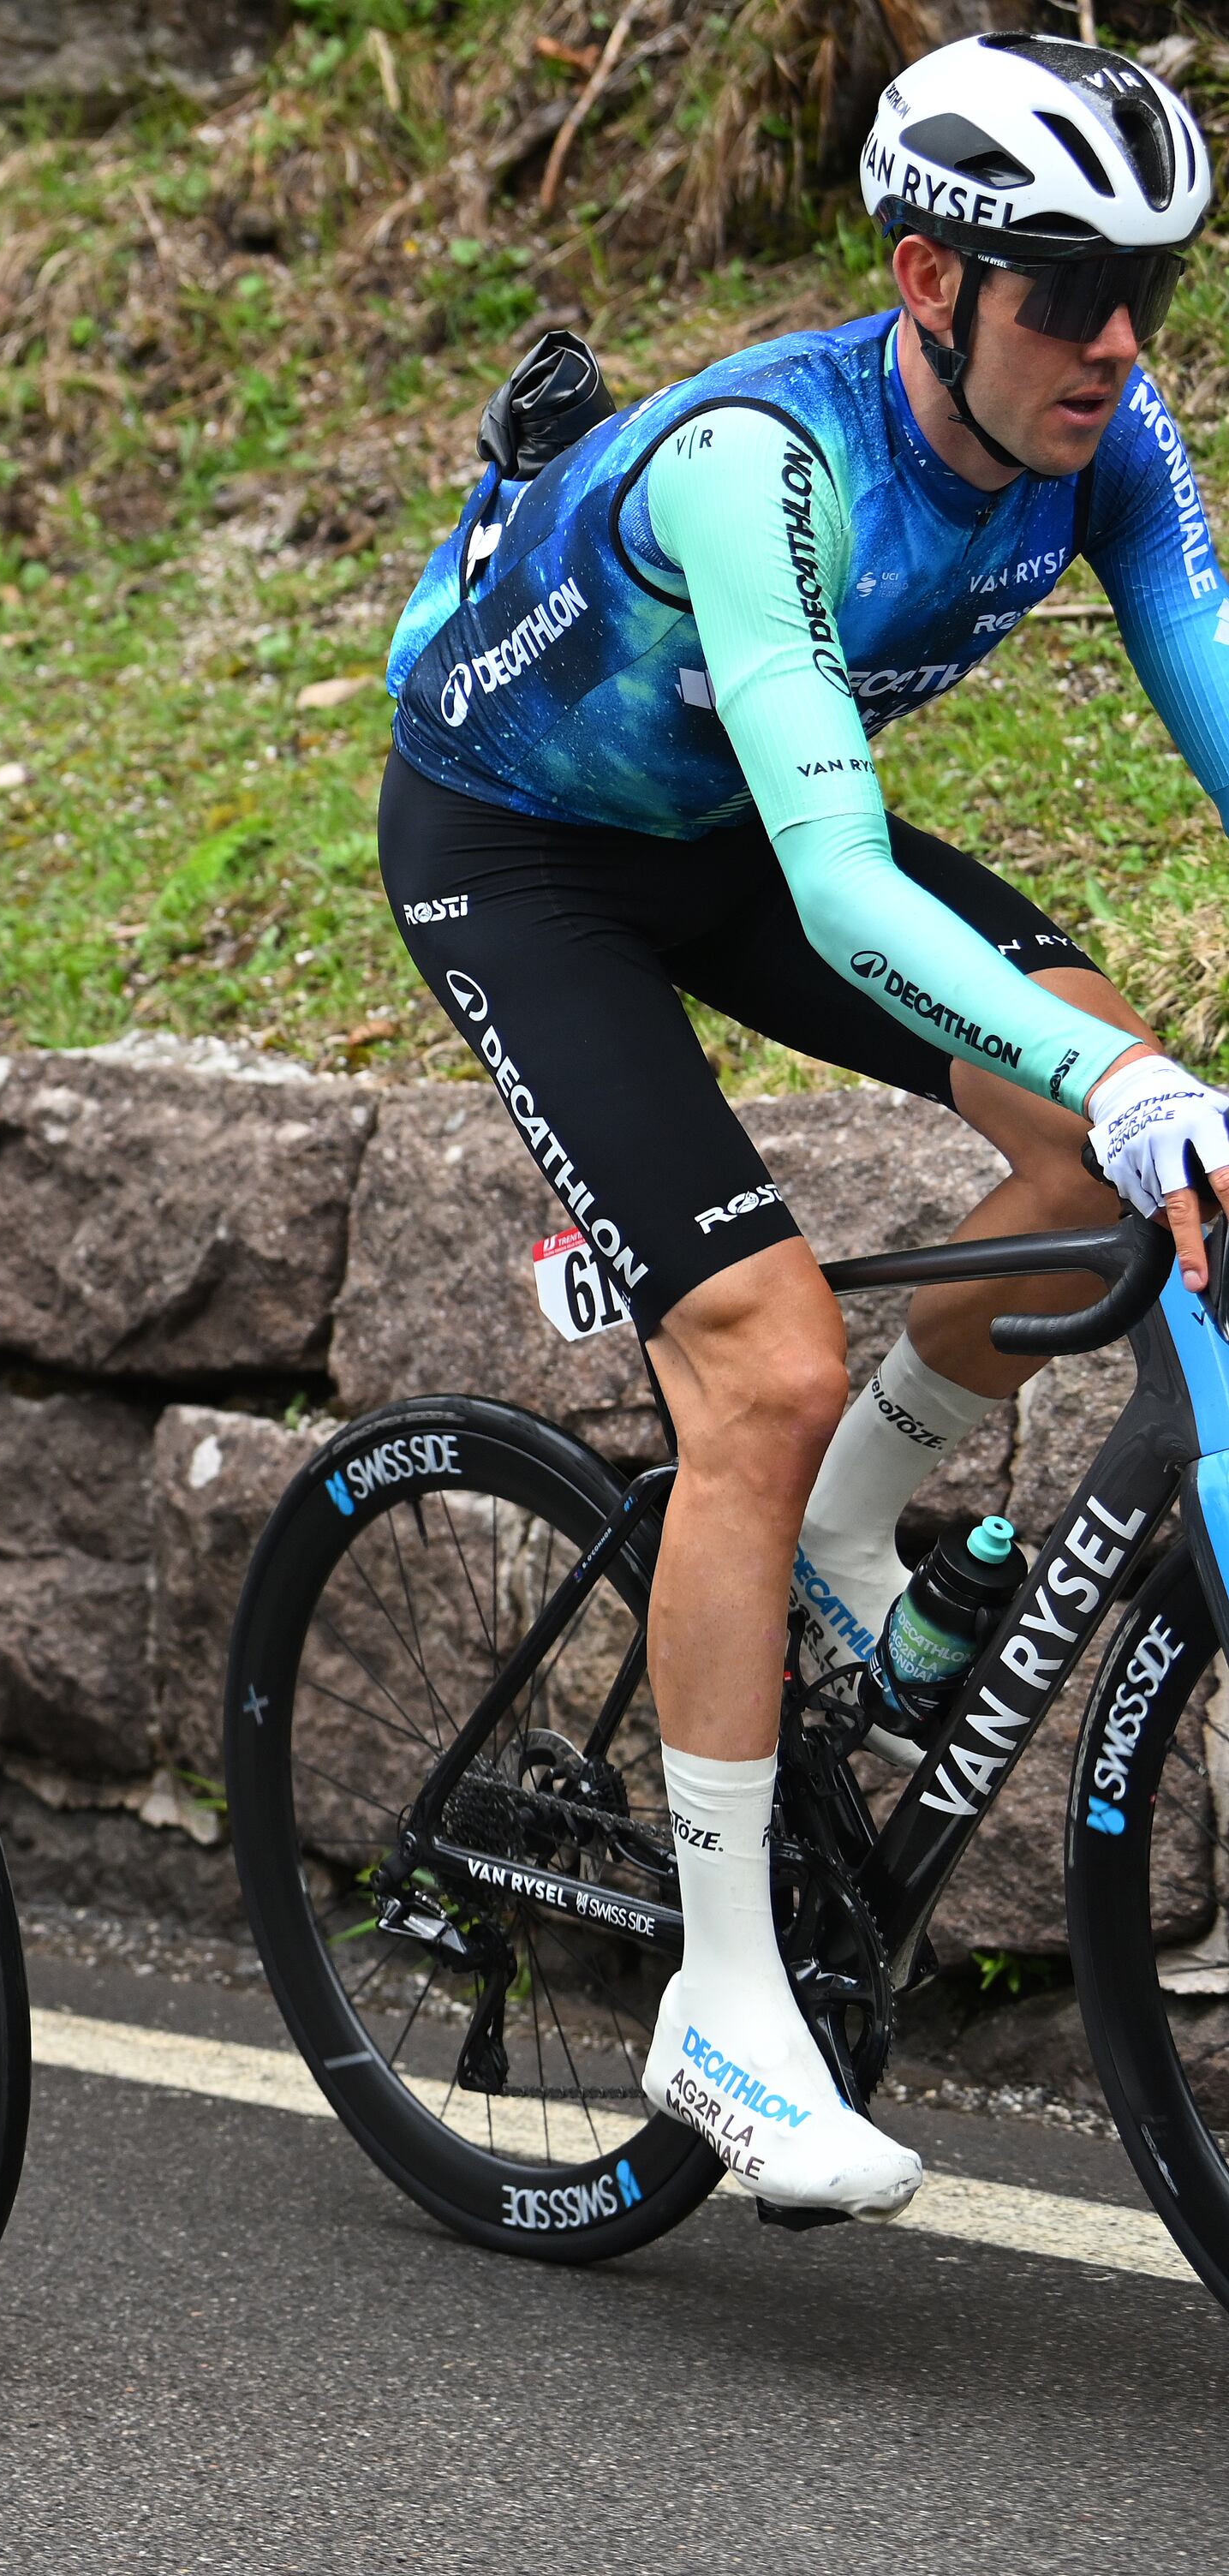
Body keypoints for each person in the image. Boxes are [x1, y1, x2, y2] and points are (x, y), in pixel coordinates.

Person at [373, 31, 1229, 2214]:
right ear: (925, 277)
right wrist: (1134, 1087)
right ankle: (720, 2001)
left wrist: (1104, 1089)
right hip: (527, 848)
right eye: (1064, 287)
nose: (1118, 339)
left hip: (745, 823)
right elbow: (844, 890)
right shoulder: (763, 467)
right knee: (757, 1357)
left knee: (1070, 1161)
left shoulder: (1107, 446)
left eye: (1151, 283)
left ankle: (856, 1540)